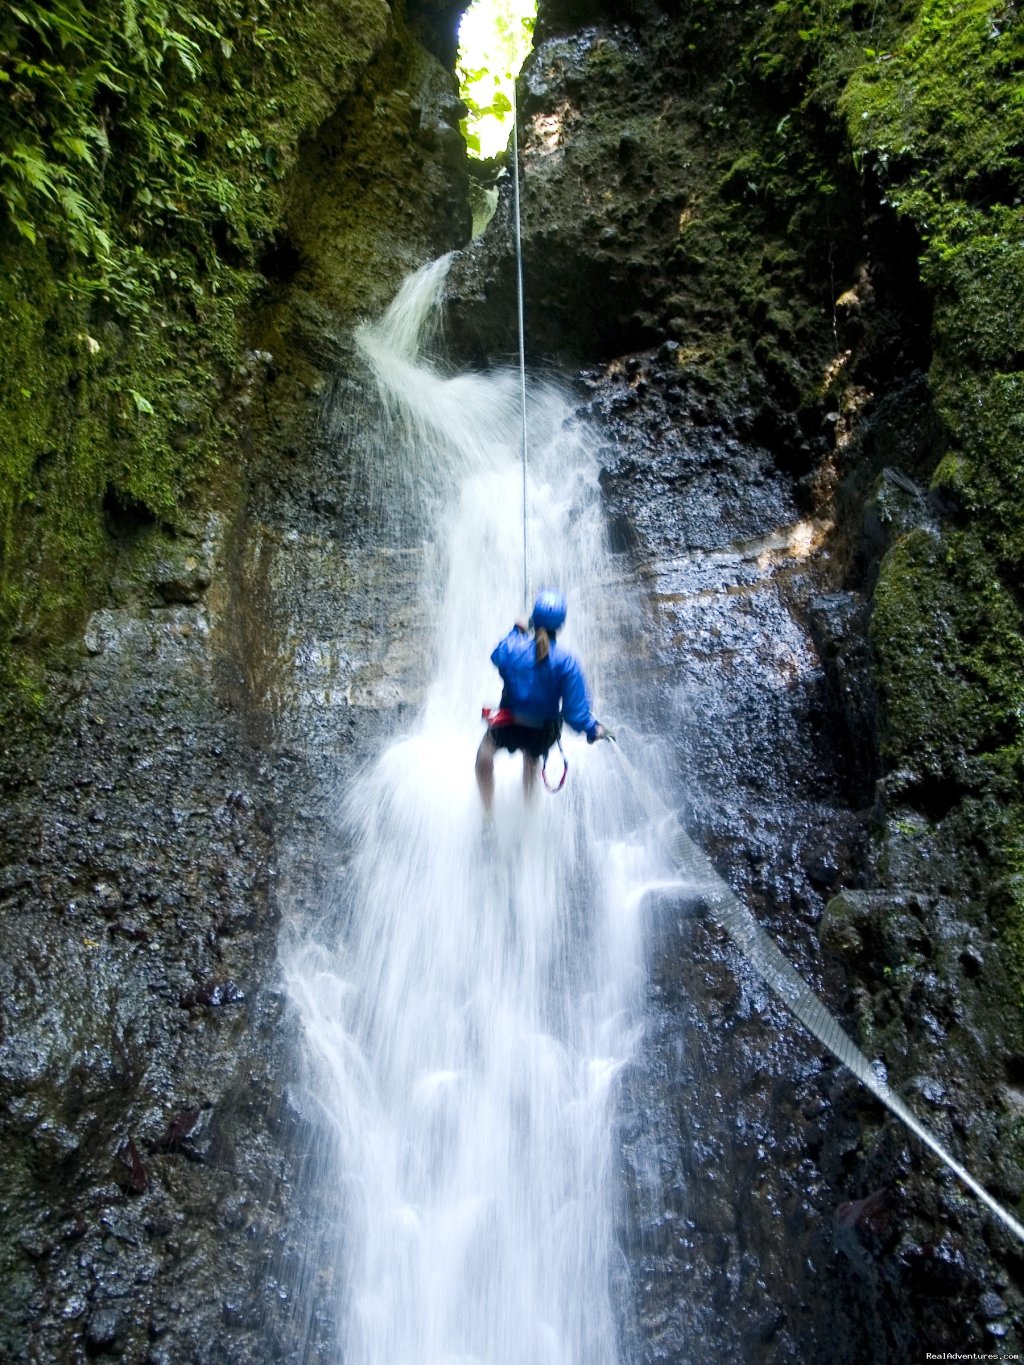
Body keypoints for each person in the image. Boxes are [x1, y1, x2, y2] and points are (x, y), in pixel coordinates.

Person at [475, 589, 605, 814]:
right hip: (542, 732)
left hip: (510, 725)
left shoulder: (514, 648)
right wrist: (593, 729)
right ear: (560, 626)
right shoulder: (567, 662)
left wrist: (517, 630)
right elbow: (575, 713)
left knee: (483, 759)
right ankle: (529, 819)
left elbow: (497, 655)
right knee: (532, 759)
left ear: (534, 619)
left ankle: (488, 819)